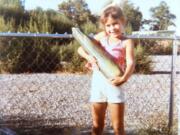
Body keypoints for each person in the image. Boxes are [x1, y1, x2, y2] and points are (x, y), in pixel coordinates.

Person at [77, 5, 135, 135]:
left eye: (115, 24)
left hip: (115, 83)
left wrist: (123, 78)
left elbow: (131, 62)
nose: (112, 28)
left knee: (118, 128)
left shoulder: (126, 42)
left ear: (123, 22)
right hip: (98, 83)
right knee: (97, 126)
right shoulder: (102, 36)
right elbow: (81, 49)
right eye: (108, 25)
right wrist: (89, 57)